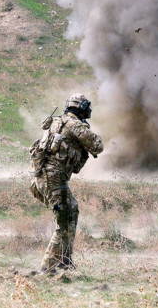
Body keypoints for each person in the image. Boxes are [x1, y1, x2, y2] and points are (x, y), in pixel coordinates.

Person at [29, 93, 103, 275]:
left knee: (72, 210)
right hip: (52, 178)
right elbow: (98, 145)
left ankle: (65, 262)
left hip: (40, 178)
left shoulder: (57, 121)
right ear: (81, 109)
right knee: (65, 221)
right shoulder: (74, 125)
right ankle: (48, 268)